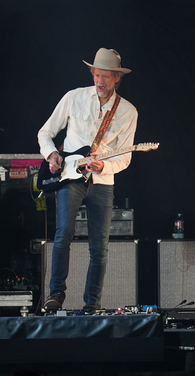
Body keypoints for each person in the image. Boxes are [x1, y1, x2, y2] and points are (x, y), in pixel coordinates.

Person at [38, 48, 137, 313]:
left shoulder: (127, 112)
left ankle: (92, 305)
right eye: (97, 75)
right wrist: (52, 155)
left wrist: (104, 164)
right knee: (63, 234)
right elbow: (45, 132)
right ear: (92, 74)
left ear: (117, 78)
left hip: (103, 181)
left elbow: (125, 157)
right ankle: (55, 294)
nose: (100, 82)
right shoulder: (74, 97)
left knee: (99, 247)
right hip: (70, 177)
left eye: (106, 76)